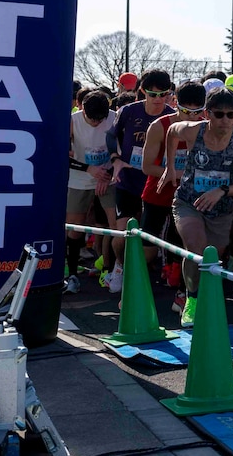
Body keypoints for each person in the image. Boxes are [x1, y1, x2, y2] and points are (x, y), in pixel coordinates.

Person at [159, 87, 233, 327]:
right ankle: (191, 299)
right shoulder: (193, 131)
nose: (225, 120)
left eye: (231, 114)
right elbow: (171, 131)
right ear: (207, 114)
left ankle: (205, 296)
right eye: (219, 114)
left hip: (221, 208)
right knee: (196, 248)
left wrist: (221, 191)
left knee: (212, 257)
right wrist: (169, 167)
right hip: (188, 201)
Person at [108, 69, 175, 294]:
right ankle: (119, 266)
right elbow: (111, 135)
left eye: (163, 94)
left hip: (155, 183)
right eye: (152, 94)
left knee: (147, 237)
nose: (158, 100)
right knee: (123, 233)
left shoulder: (172, 116)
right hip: (127, 180)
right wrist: (115, 159)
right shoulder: (128, 111)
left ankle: (139, 277)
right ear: (142, 92)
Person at [140, 81, 205, 307]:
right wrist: (176, 173)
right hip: (158, 193)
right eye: (187, 111)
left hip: (188, 197)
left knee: (188, 248)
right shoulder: (160, 126)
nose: (192, 116)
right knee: (147, 250)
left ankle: (183, 295)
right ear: (175, 103)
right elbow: (147, 166)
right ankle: (136, 291)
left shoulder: (207, 127)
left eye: (198, 112)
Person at [65, 92, 117, 294]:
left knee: (115, 226)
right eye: (91, 119)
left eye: (100, 119)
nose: (96, 123)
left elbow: (124, 151)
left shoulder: (115, 117)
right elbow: (60, 153)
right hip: (79, 177)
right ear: (82, 110)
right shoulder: (72, 121)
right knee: (74, 227)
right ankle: (72, 274)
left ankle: (110, 269)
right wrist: (88, 169)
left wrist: (108, 173)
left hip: (108, 177)